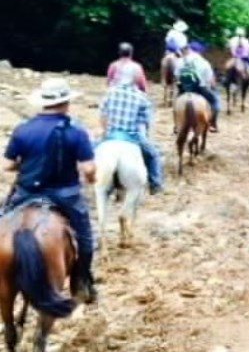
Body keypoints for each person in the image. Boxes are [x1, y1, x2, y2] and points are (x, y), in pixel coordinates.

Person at [2, 77, 98, 302]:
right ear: (67, 103)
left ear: (43, 102)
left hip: (26, 193)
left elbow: (6, 164)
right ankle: (82, 281)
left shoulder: (23, 130)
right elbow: (88, 167)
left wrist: (24, 163)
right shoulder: (76, 132)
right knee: (85, 239)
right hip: (65, 195)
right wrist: (91, 177)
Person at [99, 74, 165, 194]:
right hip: (132, 135)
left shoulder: (110, 93)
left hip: (112, 134)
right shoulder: (140, 97)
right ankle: (156, 185)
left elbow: (103, 115)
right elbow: (145, 121)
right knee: (153, 155)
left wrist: (105, 134)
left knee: (93, 153)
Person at [175, 41, 219, 132]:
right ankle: (212, 124)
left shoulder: (180, 61)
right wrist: (212, 86)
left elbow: (176, 76)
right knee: (215, 101)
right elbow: (209, 79)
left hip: (184, 88)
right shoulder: (203, 62)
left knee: (176, 104)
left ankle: (176, 126)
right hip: (200, 88)